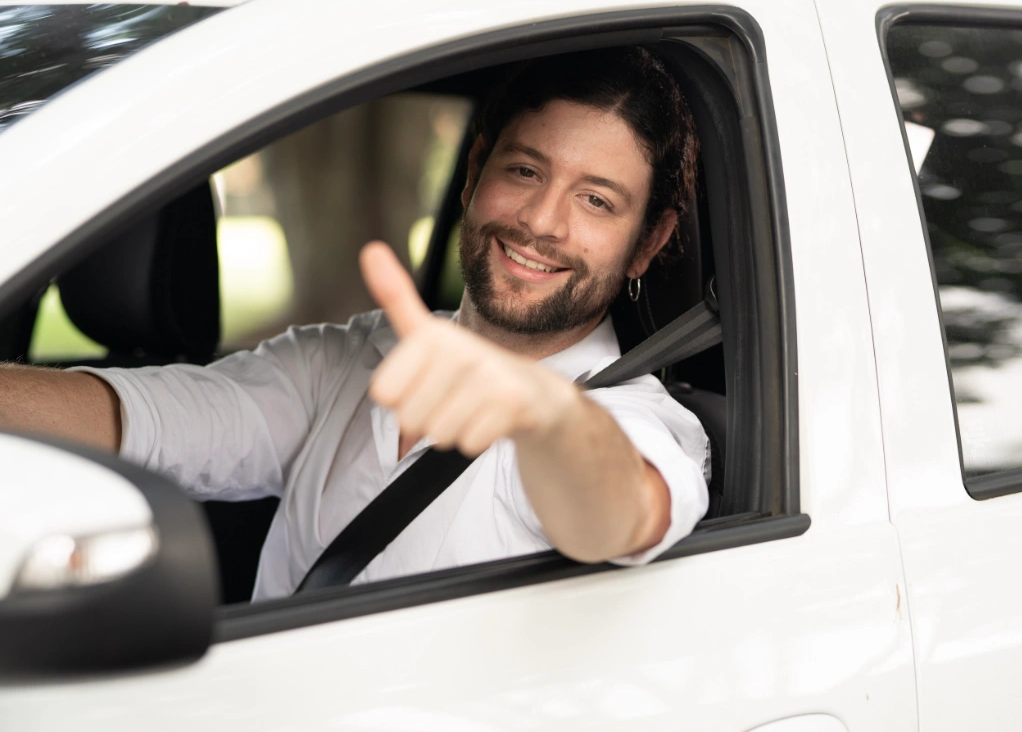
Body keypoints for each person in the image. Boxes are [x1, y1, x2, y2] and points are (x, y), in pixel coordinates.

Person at [0, 47, 710, 600]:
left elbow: (617, 514)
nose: (542, 221)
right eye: (525, 171)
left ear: (647, 243)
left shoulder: (639, 423)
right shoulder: (347, 360)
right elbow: (139, 420)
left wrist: (544, 411)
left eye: (596, 201)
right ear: (474, 170)